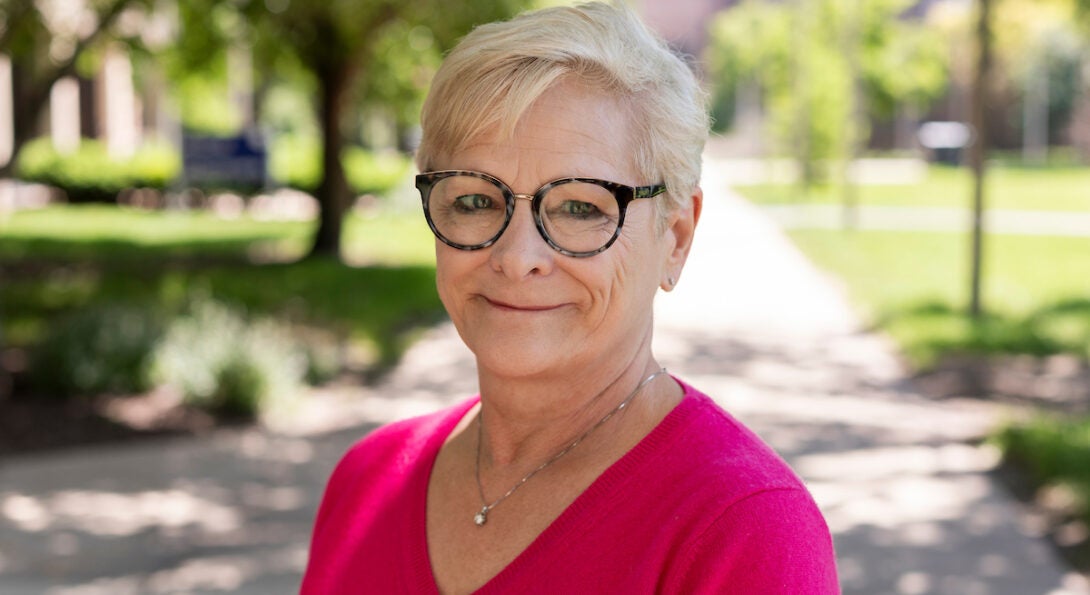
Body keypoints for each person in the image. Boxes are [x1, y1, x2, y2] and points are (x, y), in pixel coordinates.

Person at [302, 2, 839, 593]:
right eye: (477, 200)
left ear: (676, 237)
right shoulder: (368, 480)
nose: (516, 256)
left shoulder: (744, 528)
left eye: (582, 207)